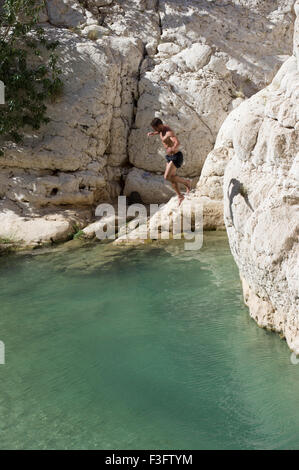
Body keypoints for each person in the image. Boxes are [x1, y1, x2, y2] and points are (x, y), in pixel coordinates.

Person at [147, 118, 191, 205]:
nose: (155, 130)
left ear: (159, 125)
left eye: (155, 128)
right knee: (172, 178)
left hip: (176, 157)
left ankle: (186, 182)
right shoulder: (161, 129)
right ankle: (180, 196)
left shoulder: (168, 132)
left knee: (167, 176)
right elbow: (159, 132)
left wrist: (173, 148)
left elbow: (177, 142)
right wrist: (153, 133)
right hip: (169, 157)